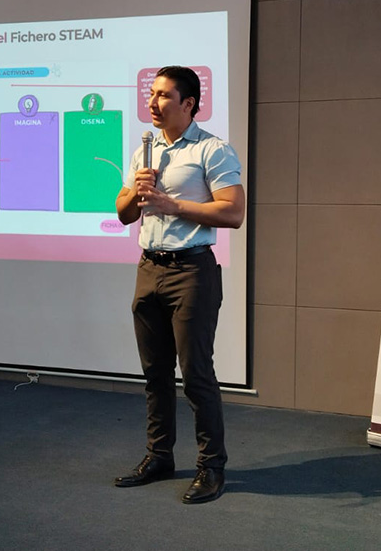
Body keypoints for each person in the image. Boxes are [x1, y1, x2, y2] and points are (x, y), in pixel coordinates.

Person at [113, 65, 245, 504]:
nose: (153, 102)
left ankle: (212, 467)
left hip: (191, 272)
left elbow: (233, 213)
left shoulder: (213, 150)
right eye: (152, 94)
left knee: (196, 375)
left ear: (188, 104)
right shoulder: (144, 152)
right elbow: (124, 213)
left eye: (164, 95)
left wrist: (173, 205)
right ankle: (159, 456)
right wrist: (136, 193)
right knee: (155, 374)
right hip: (149, 268)